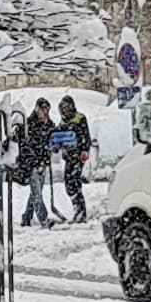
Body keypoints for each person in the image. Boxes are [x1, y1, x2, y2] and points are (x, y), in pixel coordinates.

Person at [14, 98, 57, 227]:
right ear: (37, 109)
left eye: (46, 110)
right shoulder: (28, 124)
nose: (44, 112)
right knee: (37, 193)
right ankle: (44, 219)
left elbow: (52, 141)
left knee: (35, 193)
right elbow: (23, 142)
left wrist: (51, 147)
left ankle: (26, 217)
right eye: (42, 110)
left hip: (42, 163)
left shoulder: (49, 125)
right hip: (31, 164)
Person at [53, 95, 95, 223]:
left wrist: (84, 150)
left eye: (66, 107)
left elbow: (85, 135)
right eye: (62, 108)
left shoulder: (79, 118)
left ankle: (81, 213)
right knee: (68, 183)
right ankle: (77, 208)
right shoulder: (62, 122)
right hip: (68, 157)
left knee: (74, 182)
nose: (64, 110)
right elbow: (58, 138)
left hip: (77, 156)